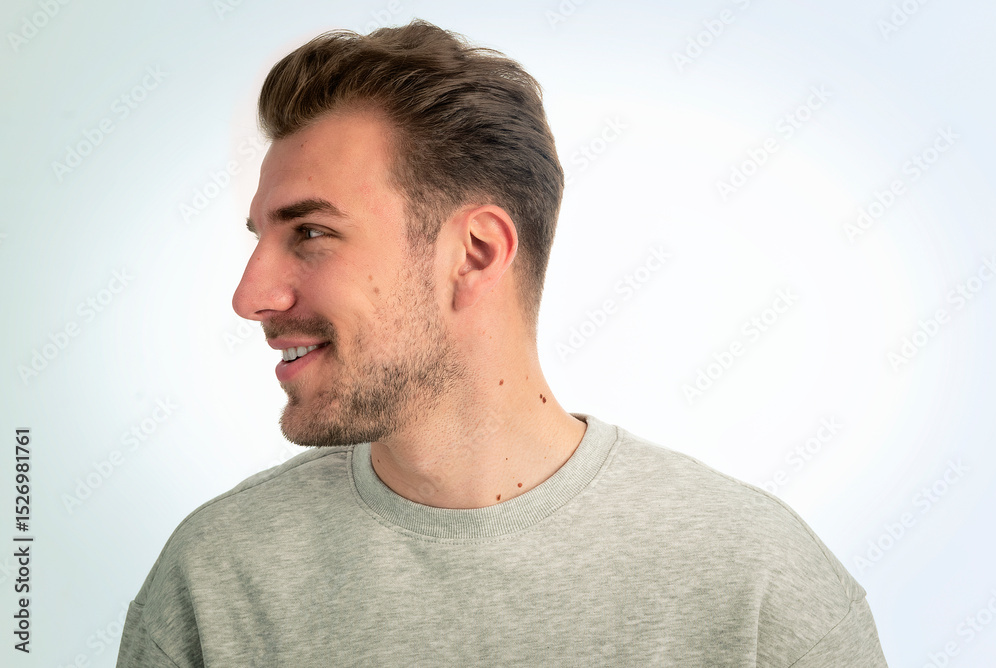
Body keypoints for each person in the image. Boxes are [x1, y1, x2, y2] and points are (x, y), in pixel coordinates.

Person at [117, 19, 888, 666]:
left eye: (311, 233)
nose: (251, 297)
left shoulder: (755, 587)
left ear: (476, 253)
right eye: (261, 237)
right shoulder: (215, 582)